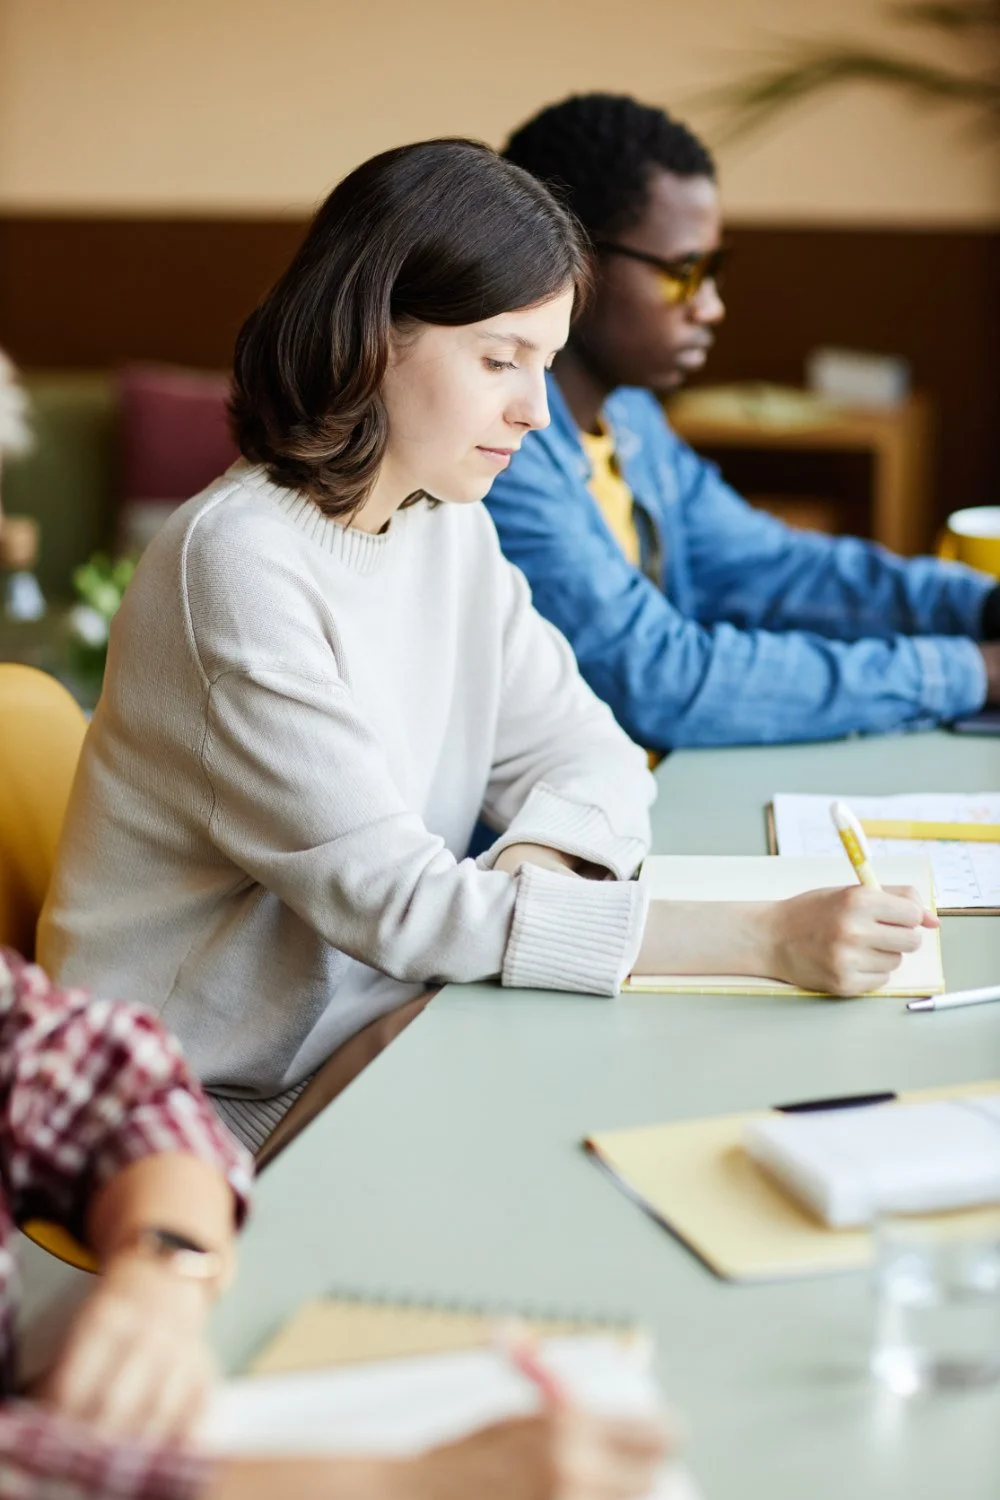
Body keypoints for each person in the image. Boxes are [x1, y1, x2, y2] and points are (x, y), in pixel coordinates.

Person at [40, 139, 932, 1159]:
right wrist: (763, 939)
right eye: (500, 359)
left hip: (400, 1026)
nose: (534, 410)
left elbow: (593, 754)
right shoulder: (237, 564)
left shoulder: (443, 520)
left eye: (545, 365)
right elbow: (404, 910)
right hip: (200, 1108)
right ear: (372, 334)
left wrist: (527, 886)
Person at [0, 947, 666, 1499]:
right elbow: (411, 907)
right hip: (266, 1096)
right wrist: (402, 1485)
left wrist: (167, 1262)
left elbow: (100, 1066)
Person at [486, 92, 1000, 750]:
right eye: (686, 272)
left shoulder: (631, 418)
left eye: (715, 270)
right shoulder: (505, 448)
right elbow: (660, 679)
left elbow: (773, 568)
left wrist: (979, 607)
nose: (712, 307)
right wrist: (974, 672)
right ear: (571, 261)